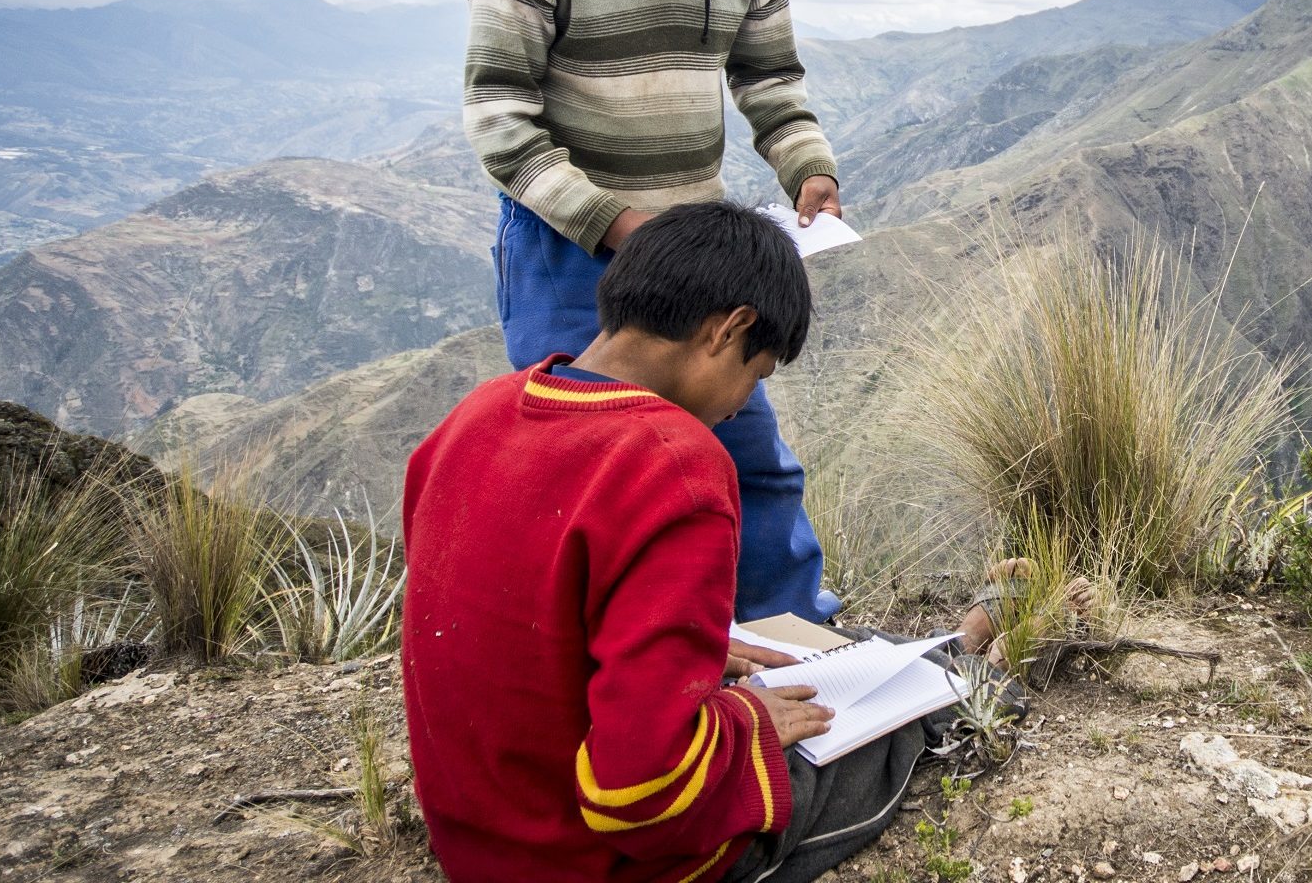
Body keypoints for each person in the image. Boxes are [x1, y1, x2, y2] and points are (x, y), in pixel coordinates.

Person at [405, 202, 1004, 883]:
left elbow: (517, 628)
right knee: (903, 719)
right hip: (596, 861)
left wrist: (685, 654)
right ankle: (983, 661)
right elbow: (642, 796)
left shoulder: (470, 420)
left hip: (481, 841)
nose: (740, 403)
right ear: (730, 329)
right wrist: (746, 721)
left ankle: (956, 645)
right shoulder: (672, 462)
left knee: (857, 655)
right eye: (756, 375)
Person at [463, 0, 841, 624]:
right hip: (568, 247)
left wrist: (805, 165)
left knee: (748, 460)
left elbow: (770, 78)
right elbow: (499, 119)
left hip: (695, 251)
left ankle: (795, 646)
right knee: (591, 468)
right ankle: (601, 661)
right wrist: (616, 223)